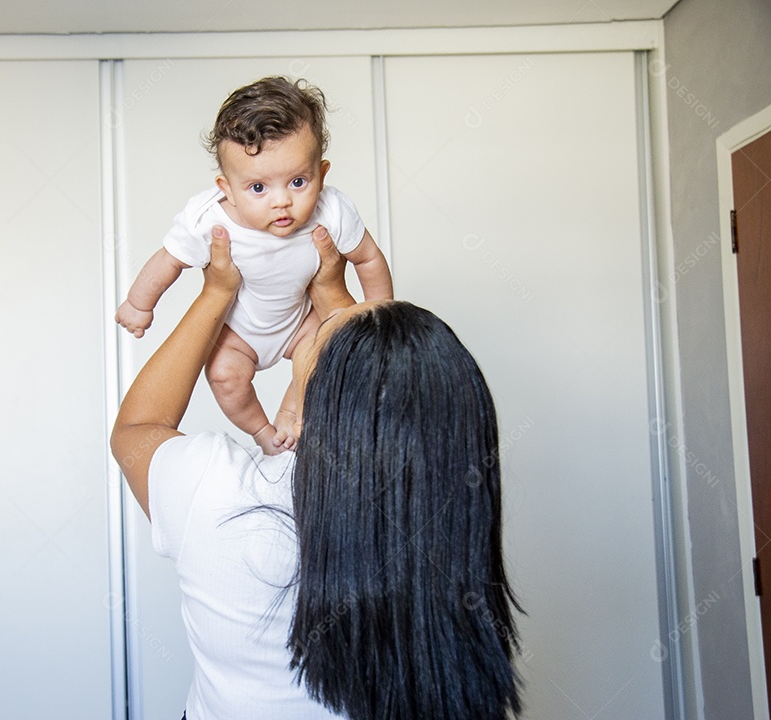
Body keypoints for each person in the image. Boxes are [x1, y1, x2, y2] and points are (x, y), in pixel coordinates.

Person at [111, 226, 523, 720]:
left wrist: (215, 293)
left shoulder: (217, 495)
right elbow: (372, 379)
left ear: (313, 399)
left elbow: (138, 428)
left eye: (322, 328)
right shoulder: (444, 522)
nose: (321, 315)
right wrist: (331, 286)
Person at [115, 76, 393, 456]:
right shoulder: (209, 219)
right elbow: (168, 260)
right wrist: (139, 304)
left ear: (322, 174)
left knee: (323, 358)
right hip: (239, 331)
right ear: (226, 188)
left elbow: (369, 259)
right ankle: (262, 432)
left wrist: (381, 313)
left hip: (300, 321)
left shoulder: (333, 210)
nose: (282, 202)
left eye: (298, 182)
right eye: (258, 188)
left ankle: (291, 413)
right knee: (224, 376)